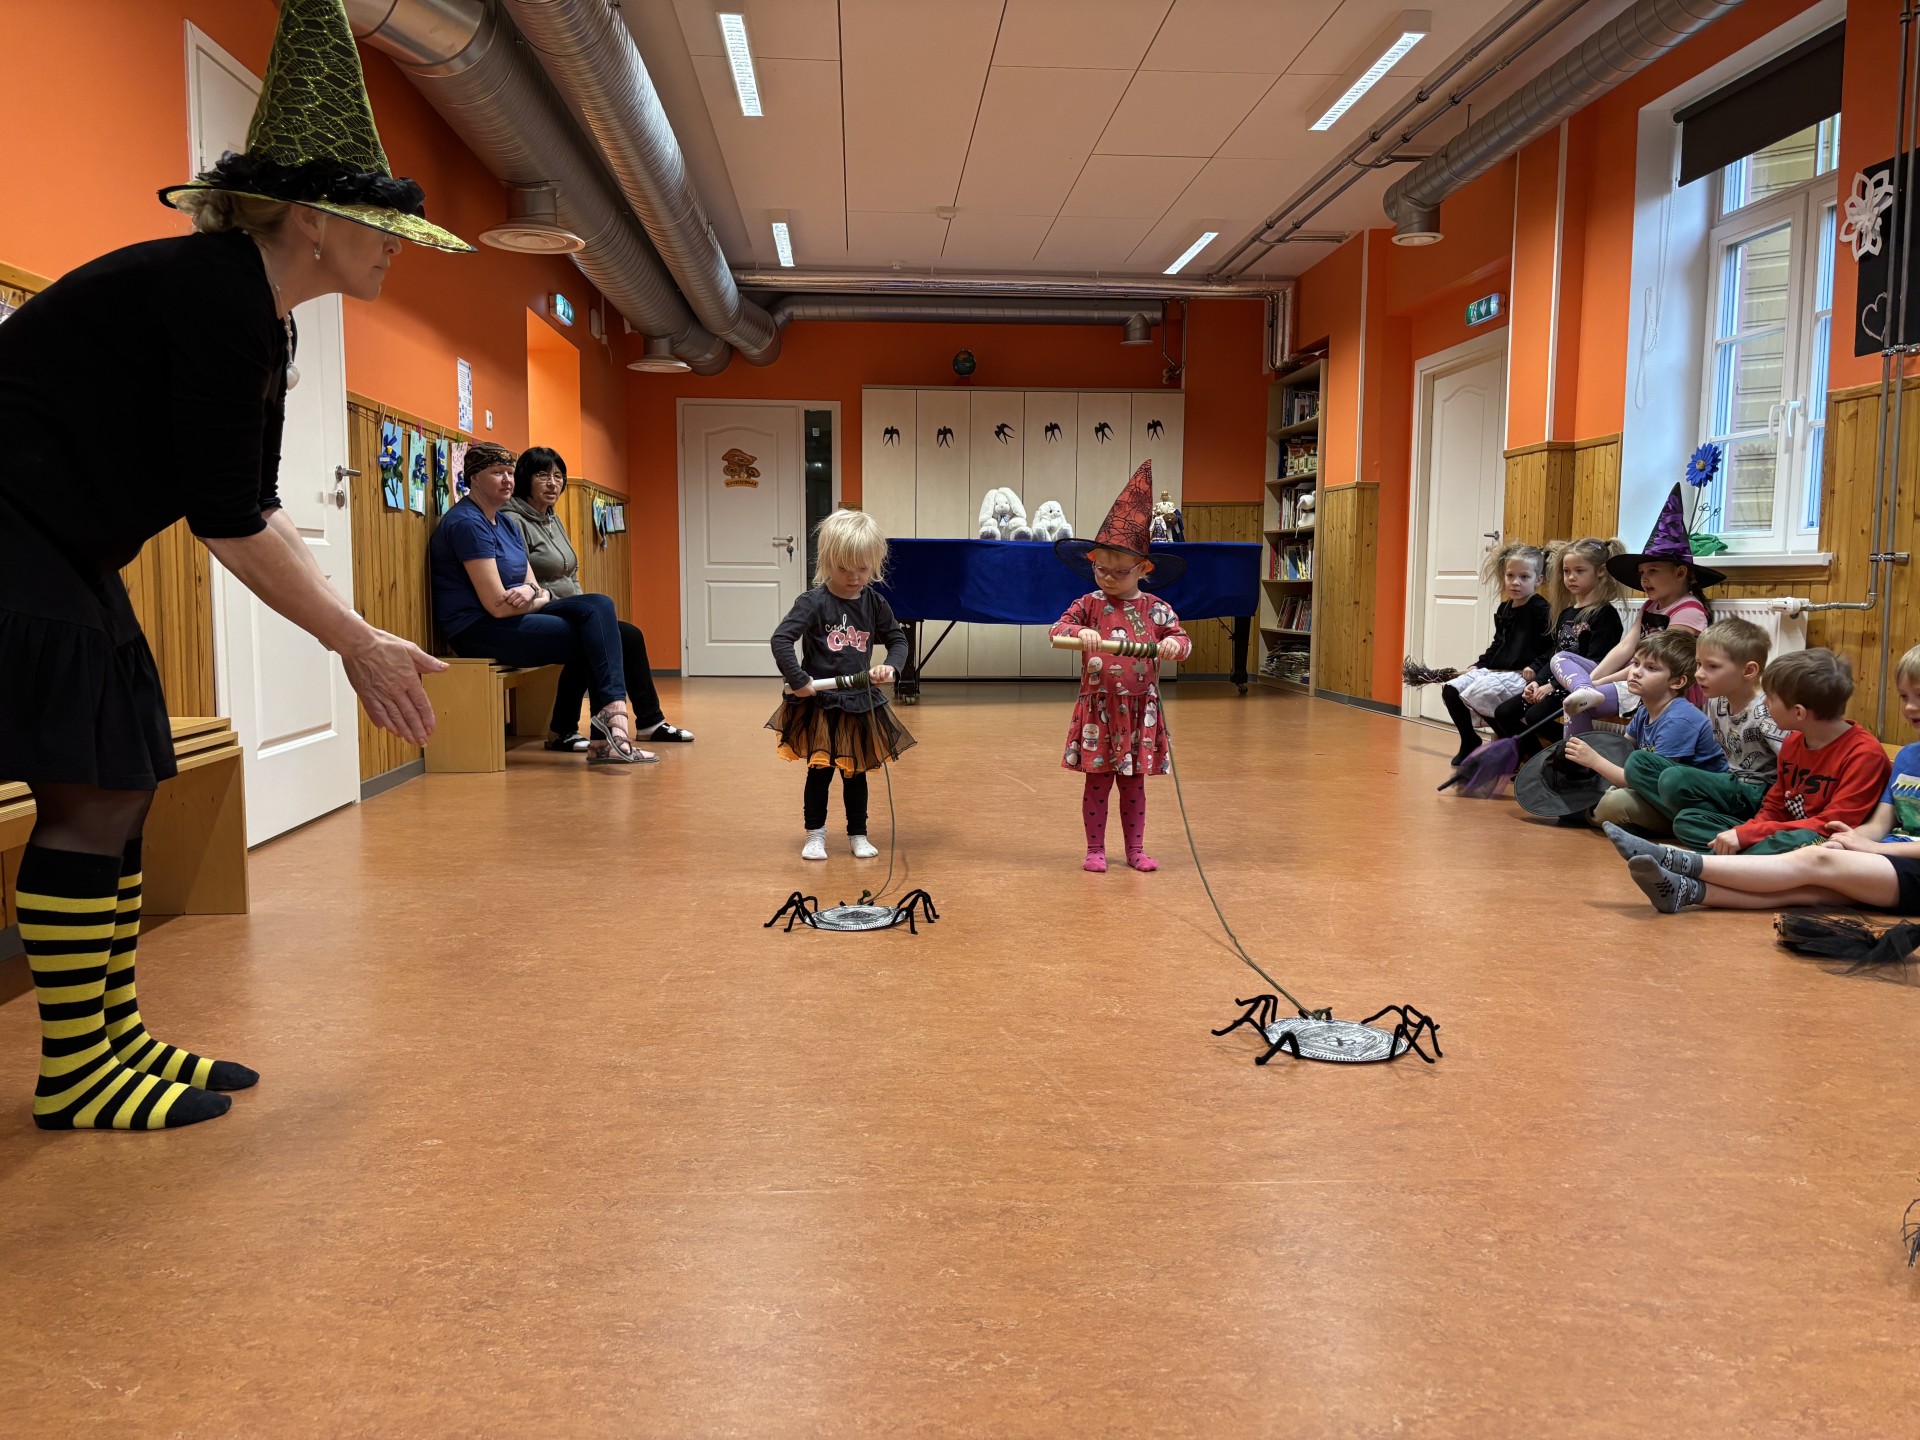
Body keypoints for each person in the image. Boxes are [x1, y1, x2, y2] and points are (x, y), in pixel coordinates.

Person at [0, 0, 471, 1130]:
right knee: (93, 791)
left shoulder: (261, 316)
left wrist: (360, 631)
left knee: (126, 781)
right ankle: (78, 1071)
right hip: (14, 534)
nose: (394, 245)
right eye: (377, 224)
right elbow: (224, 519)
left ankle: (112, 1040)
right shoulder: (215, 294)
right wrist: (354, 643)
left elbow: (254, 503)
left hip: (64, 543)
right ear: (309, 220)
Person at [1607, 647, 1920, 914]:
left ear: (1799, 712)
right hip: (1836, 845)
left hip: (1816, 838)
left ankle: (1687, 863)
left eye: (1770, 697)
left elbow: (1833, 825)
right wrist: (1748, 831)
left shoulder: (1864, 754)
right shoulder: (1797, 742)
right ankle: (1691, 884)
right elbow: (1778, 803)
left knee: (1804, 851)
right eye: (1904, 697)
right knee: (1689, 821)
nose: (1764, 703)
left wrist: (1751, 834)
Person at [430, 444, 654, 764]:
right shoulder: (467, 523)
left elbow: (535, 586)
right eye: (497, 473)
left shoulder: (505, 523)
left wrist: (536, 594)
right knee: (597, 638)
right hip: (478, 628)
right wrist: (535, 595)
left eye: (510, 473)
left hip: (515, 615)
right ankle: (605, 734)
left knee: (600, 605)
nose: (507, 480)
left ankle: (610, 717)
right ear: (474, 478)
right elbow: (497, 606)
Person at [1049, 460, 1193, 874]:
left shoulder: (1156, 608)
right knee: (1097, 784)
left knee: (1133, 785)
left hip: (1140, 711)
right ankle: (1095, 849)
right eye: (1101, 569)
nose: (1108, 578)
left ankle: (1135, 850)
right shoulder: (1089, 604)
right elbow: (1057, 629)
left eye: (1120, 571)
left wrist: (1172, 646)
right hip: (1099, 710)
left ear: (1144, 569)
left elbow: (1182, 640)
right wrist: (1081, 632)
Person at [501, 446, 691, 751]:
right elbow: (518, 575)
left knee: (627, 634)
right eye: (542, 475)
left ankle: (647, 723)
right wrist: (577, 608)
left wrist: (580, 604)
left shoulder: (551, 517)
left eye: (558, 477)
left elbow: (571, 571)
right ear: (525, 478)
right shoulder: (512, 520)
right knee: (597, 637)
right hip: (537, 606)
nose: (552, 483)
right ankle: (582, 732)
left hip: (567, 607)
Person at [767, 508, 914, 861]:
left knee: (856, 774)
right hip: (821, 705)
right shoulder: (813, 603)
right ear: (828, 561)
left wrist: (891, 667)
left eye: (862, 568)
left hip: (860, 704)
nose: (854, 576)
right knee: (820, 773)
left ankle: (858, 834)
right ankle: (815, 835)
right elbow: (781, 640)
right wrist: (799, 680)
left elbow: (898, 640)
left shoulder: (874, 603)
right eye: (845, 568)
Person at [1556, 484, 1720, 739]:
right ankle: (1581, 705)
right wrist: (1588, 684)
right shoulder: (1649, 606)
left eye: (1653, 571)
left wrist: (1598, 684)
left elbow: (1659, 663)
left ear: (1680, 572)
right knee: (1561, 658)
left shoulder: (1689, 611)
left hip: (1662, 685)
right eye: (1642, 572)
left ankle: (1577, 761)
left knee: (1579, 706)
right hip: (1636, 675)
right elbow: (1625, 647)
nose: (1644, 579)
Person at [1608, 617, 1783, 848]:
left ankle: (1750, 838)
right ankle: (1725, 832)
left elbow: (1793, 767)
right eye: (1699, 664)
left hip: (1760, 796)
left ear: (1748, 671)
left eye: (1712, 666)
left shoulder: (1766, 711)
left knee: (1673, 779)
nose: (1699, 674)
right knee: (1642, 767)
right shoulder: (1717, 702)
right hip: (1731, 788)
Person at [1565, 628, 1725, 831]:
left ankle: (1594, 815)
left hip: (1690, 805)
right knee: (1594, 788)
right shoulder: (1644, 711)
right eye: (1636, 663)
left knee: (1614, 802)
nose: (1637, 672)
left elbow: (1652, 783)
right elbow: (1621, 753)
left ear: (1677, 681)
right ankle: (1620, 820)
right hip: (1657, 795)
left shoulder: (1679, 719)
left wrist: (1594, 760)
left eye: (1651, 668)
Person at [1491, 537, 1625, 762]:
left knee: (1535, 716)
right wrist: (1537, 682)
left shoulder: (1604, 614)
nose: (1571, 577)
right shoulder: (1566, 613)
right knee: (1504, 713)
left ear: (1601, 571)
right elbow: (1555, 654)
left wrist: (1552, 686)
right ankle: (1537, 760)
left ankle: (1574, 753)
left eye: (1579, 571)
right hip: (1554, 683)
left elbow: (1596, 664)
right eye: (1566, 571)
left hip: (1580, 685)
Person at [1438, 542, 1552, 766]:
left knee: (1481, 694)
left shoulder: (1541, 609)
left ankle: (1515, 747)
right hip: (1498, 671)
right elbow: (1499, 643)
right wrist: (1479, 664)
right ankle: (1469, 740)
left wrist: (1535, 667)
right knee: (1451, 689)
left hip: (1522, 676)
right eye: (1510, 576)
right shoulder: (1504, 608)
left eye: (1524, 577)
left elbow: (1551, 647)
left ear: (1538, 580)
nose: (1515, 582)